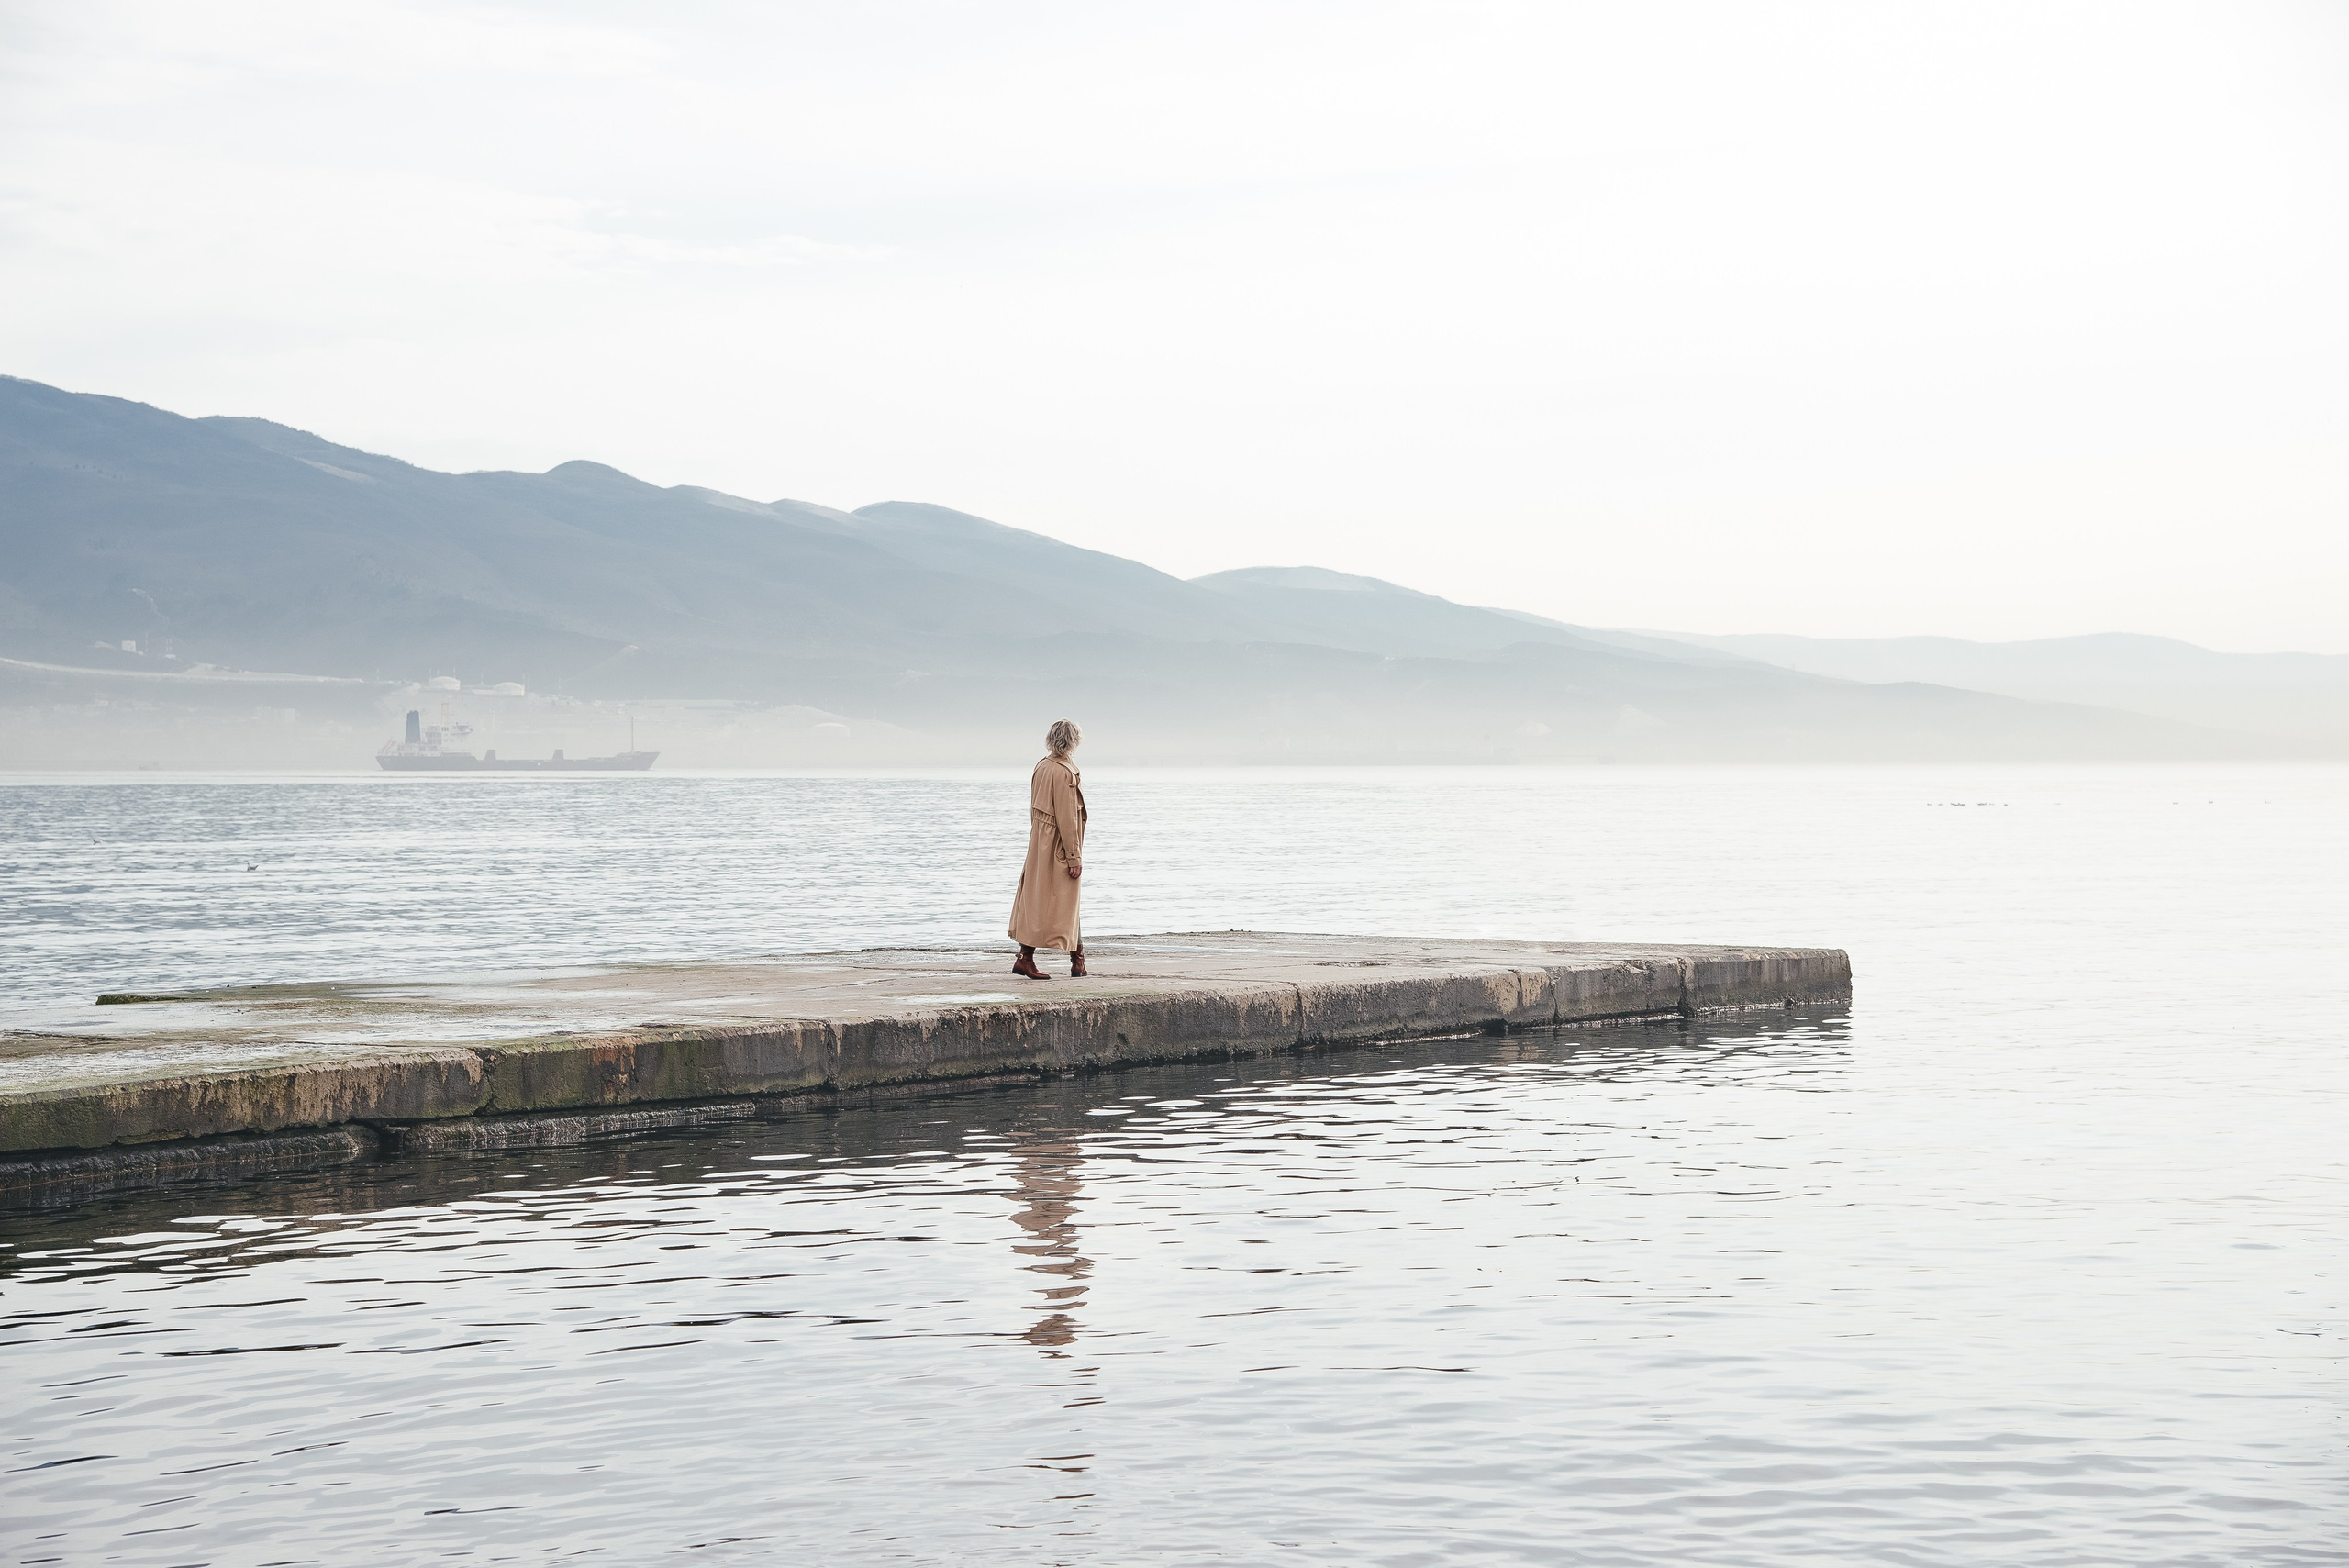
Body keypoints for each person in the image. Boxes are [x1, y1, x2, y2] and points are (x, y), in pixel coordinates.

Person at [1009, 718, 1087, 979]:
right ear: (1073, 741)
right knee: (1067, 902)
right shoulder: (1065, 772)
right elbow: (1068, 817)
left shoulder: (1041, 766)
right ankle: (1076, 961)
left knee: (1036, 899)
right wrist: (1073, 855)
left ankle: (1030, 957)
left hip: (1039, 841)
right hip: (1059, 845)